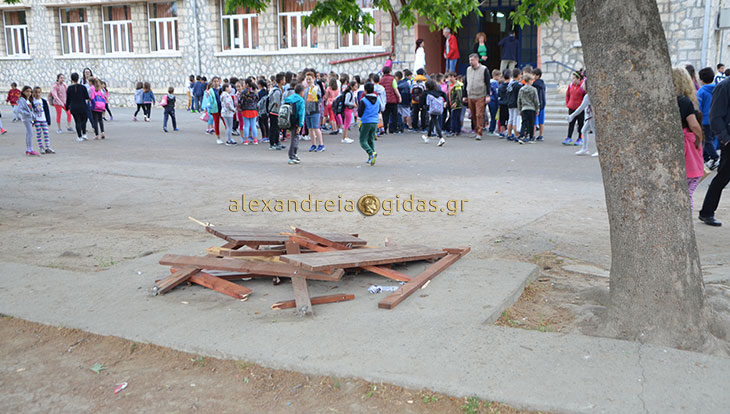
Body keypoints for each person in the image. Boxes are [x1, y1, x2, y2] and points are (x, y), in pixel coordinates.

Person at [670, 68, 703, 211]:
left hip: (670, 144)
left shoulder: (664, 100)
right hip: (686, 146)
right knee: (687, 191)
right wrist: (699, 140)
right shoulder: (684, 101)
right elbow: (694, 125)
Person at [699, 74, 730, 226]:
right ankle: (707, 212)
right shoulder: (724, 86)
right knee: (723, 177)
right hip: (729, 141)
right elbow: (715, 116)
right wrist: (726, 139)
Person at [463, 53, 490, 140]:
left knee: (479, 114)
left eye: (472, 60)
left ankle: (479, 132)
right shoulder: (468, 69)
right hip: (470, 95)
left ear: (477, 60)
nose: (470, 62)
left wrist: (488, 95)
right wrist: (464, 95)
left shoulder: (484, 69)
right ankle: (476, 129)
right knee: (473, 115)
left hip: (480, 95)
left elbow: (488, 83)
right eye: (470, 60)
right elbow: (466, 82)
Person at [697, 66, 720, 170]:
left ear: (701, 80)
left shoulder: (701, 92)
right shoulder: (718, 88)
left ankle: (715, 157)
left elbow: (698, 107)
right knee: (711, 138)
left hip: (705, 120)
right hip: (716, 118)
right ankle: (705, 158)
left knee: (706, 140)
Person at [358, 83, 380, 165]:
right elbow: (379, 109)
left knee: (362, 140)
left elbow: (360, 113)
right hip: (375, 121)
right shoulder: (377, 99)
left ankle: (371, 153)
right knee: (370, 139)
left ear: (365, 90)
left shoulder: (363, 100)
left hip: (366, 121)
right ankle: (371, 157)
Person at [284, 84, 306, 165]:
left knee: (294, 137)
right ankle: (292, 156)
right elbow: (301, 114)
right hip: (296, 121)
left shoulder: (289, 98)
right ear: (302, 92)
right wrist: (300, 125)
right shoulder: (300, 100)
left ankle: (294, 155)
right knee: (295, 138)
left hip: (288, 120)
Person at [65, 72, 89, 142]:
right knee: (83, 121)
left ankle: (79, 136)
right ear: (78, 78)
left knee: (77, 122)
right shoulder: (83, 87)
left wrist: (67, 107)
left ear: (71, 79)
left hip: (74, 107)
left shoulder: (69, 88)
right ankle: (84, 134)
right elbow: (87, 97)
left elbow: (68, 99)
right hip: (83, 106)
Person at [303, 73, 324, 152]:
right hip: (307, 111)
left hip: (315, 110)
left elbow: (319, 99)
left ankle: (321, 144)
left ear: (313, 79)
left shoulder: (316, 88)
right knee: (310, 129)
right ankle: (313, 144)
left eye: (309, 79)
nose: (308, 81)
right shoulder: (306, 89)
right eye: (307, 79)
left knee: (316, 128)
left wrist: (316, 96)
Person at [563, 72, 585, 145]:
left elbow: (585, 97)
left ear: (578, 78)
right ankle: (569, 137)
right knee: (571, 123)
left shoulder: (582, 86)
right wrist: (568, 103)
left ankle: (580, 138)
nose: (572, 80)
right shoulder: (571, 85)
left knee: (580, 124)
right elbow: (567, 95)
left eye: (574, 78)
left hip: (580, 109)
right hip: (571, 108)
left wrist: (582, 106)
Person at [422, 80, 446, 146]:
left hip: (432, 109)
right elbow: (444, 94)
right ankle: (428, 136)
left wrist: (422, 107)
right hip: (438, 108)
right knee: (432, 121)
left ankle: (441, 138)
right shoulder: (438, 92)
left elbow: (422, 101)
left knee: (435, 121)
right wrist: (445, 102)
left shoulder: (426, 92)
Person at [517, 73, 539, 144]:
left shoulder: (521, 89)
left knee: (524, 122)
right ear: (529, 80)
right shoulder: (533, 89)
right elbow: (536, 100)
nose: (533, 81)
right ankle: (531, 137)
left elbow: (519, 100)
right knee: (531, 123)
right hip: (532, 108)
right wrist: (537, 109)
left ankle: (521, 136)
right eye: (532, 80)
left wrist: (520, 109)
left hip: (524, 108)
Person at [31, 87, 53, 154]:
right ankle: (41, 147)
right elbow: (31, 112)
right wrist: (32, 121)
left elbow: (47, 111)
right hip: (37, 120)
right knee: (39, 134)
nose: (37, 94)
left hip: (43, 119)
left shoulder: (43, 101)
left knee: (46, 133)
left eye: (39, 92)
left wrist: (48, 120)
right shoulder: (32, 102)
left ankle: (47, 147)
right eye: (36, 92)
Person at [17, 86, 38, 156]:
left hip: (29, 118)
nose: (29, 93)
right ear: (23, 92)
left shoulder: (28, 99)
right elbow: (19, 110)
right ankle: (29, 149)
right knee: (30, 133)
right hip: (26, 118)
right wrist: (28, 114)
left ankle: (29, 149)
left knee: (29, 133)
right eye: (27, 91)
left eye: (30, 91)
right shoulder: (22, 100)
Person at [380, 66, 401, 134]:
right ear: (389, 71)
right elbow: (395, 89)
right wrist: (399, 97)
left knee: (385, 115)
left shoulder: (381, 79)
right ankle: (393, 129)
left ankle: (385, 128)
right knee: (394, 115)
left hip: (384, 100)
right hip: (393, 100)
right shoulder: (393, 79)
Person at [267, 72, 286, 150]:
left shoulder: (277, 89)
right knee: (274, 128)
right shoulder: (277, 91)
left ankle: (276, 142)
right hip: (274, 112)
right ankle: (272, 144)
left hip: (274, 111)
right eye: (284, 79)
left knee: (277, 128)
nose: (285, 81)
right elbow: (277, 103)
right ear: (281, 81)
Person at [238, 79, 259, 145]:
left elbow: (240, 101)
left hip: (245, 110)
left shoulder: (244, 92)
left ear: (247, 84)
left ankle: (246, 140)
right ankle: (255, 140)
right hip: (253, 110)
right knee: (253, 126)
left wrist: (241, 107)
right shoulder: (255, 91)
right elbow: (257, 99)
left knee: (246, 126)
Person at [505, 68, 523, 141]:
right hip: (515, 103)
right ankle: (516, 135)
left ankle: (509, 134)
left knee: (510, 119)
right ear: (518, 75)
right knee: (515, 120)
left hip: (509, 103)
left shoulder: (510, 84)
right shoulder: (518, 85)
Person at [446, 72, 463, 137]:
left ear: (455, 77)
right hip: (450, 104)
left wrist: (456, 103)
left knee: (455, 118)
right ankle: (454, 130)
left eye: (451, 77)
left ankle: (455, 131)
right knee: (452, 117)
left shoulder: (457, 85)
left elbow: (459, 96)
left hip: (456, 105)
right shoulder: (450, 84)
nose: (450, 79)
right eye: (449, 77)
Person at [532, 68, 546, 141]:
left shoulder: (534, 84)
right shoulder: (543, 84)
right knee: (541, 121)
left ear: (537, 75)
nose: (533, 76)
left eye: (534, 75)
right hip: (543, 104)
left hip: (536, 105)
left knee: (535, 121)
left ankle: (533, 135)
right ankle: (541, 135)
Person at [488, 69, 501, 135]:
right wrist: (498, 102)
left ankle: (491, 128)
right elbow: (496, 93)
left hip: (490, 100)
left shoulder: (489, 82)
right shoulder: (495, 83)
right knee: (494, 116)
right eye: (499, 76)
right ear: (495, 76)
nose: (499, 78)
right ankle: (491, 129)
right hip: (494, 101)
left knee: (492, 115)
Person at [497, 70, 510, 137]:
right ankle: (508, 132)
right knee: (508, 119)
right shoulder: (510, 86)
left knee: (502, 119)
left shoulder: (500, 86)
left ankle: (501, 132)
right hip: (508, 104)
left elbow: (498, 95)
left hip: (502, 104)